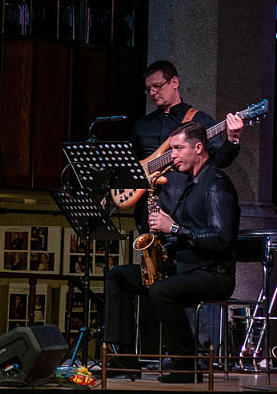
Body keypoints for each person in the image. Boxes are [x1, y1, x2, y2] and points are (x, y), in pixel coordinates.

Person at [104, 122, 239, 383]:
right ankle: (125, 358)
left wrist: (174, 227)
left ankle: (187, 363)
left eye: (178, 148)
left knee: (161, 290)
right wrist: (163, 246)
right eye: (172, 148)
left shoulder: (216, 185)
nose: (172, 155)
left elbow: (221, 240)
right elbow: (186, 234)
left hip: (212, 274)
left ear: (199, 148)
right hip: (183, 267)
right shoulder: (189, 184)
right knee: (118, 276)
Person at [126, 60, 243, 230]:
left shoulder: (199, 120)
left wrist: (232, 139)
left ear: (174, 82)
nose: (152, 92)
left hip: (182, 209)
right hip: (147, 210)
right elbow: (129, 164)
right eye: (149, 89)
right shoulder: (142, 125)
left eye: (157, 86)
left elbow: (219, 161)